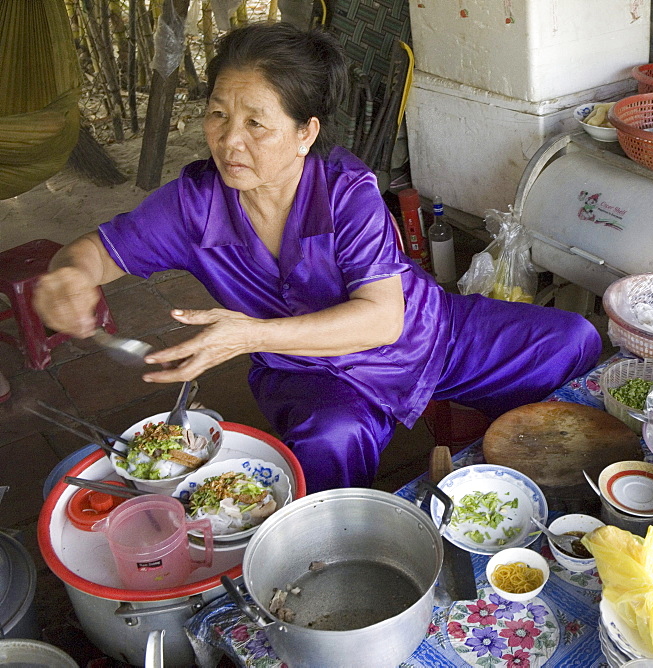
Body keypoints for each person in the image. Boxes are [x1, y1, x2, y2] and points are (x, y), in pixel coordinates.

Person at [33, 23, 601, 492]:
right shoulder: (191, 205)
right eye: (217, 116)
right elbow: (94, 252)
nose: (230, 142)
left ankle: (541, 484)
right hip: (305, 367)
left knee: (572, 340)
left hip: (425, 335)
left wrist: (246, 335)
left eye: (256, 123)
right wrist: (71, 276)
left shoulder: (345, 192)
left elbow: (383, 317)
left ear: (305, 133)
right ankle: (340, 541)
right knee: (330, 441)